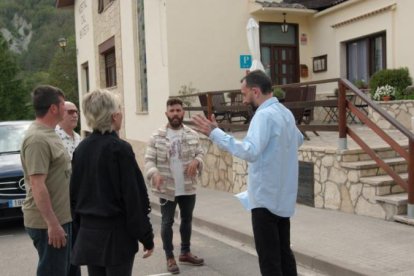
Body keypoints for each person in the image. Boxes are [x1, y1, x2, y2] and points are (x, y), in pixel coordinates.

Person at [192, 70, 304, 276]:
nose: (243, 100)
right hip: (283, 198)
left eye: (244, 94)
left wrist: (215, 133)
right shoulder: (285, 112)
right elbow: (298, 139)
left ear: (255, 91)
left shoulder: (263, 115)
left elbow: (249, 151)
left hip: (265, 200)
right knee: (284, 255)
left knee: (270, 261)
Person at [70, 89, 154, 276]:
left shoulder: (81, 148)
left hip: (89, 233)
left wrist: (79, 232)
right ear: (114, 116)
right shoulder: (120, 149)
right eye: (120, 110)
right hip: (116, 236)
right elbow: (134, 199)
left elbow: (74, 197)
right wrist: (146, 237)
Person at [144, 98, 205, 274]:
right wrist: (154, 173)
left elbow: (201, 153)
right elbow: (148, 160)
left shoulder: (192, 134)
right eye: (172, 111)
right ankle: (169, 256)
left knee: (187, 219)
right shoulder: (156, 136)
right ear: (167, 114)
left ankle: (185, 252)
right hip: (167, 188)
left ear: (183, 112)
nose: (175, 114)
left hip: (187, 187)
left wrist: (196, 160)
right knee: (167, 222)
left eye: (178, 110)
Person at [21, 85, 72, 276]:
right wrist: (52, 224)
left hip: (62, 218)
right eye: (62, 104)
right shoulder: (37, 139)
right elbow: (37, 184)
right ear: (53, 108)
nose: (66, 108)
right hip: (48, 224)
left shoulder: (51, 133)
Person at [55, 100, 81, 276]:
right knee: (60, 260)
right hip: (61, 204)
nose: (74, 114)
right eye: (70, 111)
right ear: (60, 114)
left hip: (77, 204)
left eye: (76, 111)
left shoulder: (79, 138)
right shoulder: (54, 138)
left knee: (75, 255)